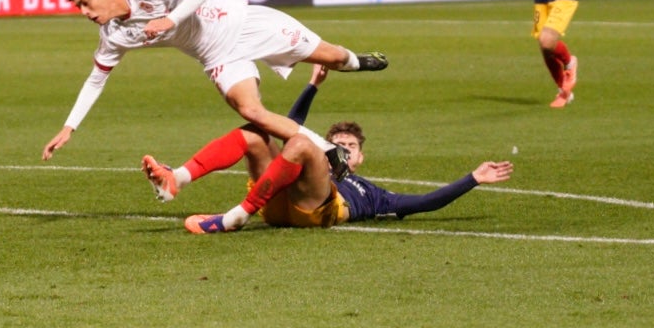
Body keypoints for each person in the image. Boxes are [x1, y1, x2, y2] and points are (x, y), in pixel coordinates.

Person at [41, 0, 389, 180]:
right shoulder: (114, 35)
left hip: (241, 22)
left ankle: (358, 61)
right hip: (216, 55)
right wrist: (69, 127)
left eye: (86, 2)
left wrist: (171, 19)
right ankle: (331, 150)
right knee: (251, 111)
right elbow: (96, 78)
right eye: (78, 8)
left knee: (331, 56)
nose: (85, 12)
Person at [140, 65, 514, 233]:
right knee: (256, 134)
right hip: (274, 200)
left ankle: (234, 217)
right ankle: (178, 179)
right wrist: (312, 87)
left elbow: (424, 202)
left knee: (298, 142)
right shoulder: (308, 153)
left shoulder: (375, 194)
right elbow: (289, 127)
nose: (344, 150)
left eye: (350, 147)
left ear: (361, 157)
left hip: (319, 209)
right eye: (338, 145)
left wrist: (473, 179)